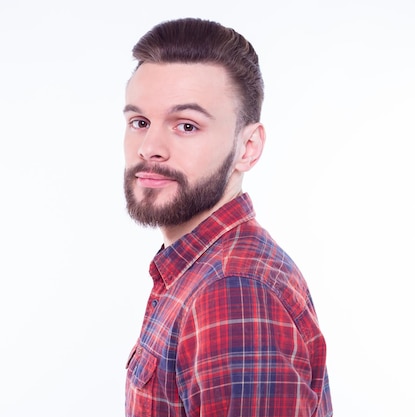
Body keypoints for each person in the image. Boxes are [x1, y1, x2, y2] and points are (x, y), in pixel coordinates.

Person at [122, 17, 333, 417]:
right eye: (139, 122)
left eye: (186, 125)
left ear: (248, 148)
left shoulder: (234, 290)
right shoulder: (194, 270)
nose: (149, 147)